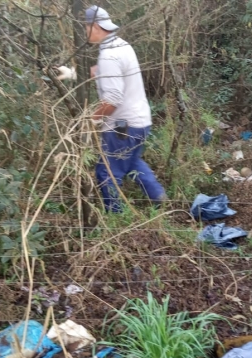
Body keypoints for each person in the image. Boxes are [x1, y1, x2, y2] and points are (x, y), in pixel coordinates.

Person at [85, 5, 166, 213]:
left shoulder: (109, 56)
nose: (85, 32)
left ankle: (115, 218)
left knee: (107, 172)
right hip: (140, 121)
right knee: (131, 163)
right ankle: (158, 196)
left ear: (95, 26)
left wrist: (92, 119)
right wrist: (77, 74)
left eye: (86, 27)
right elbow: (108, 72)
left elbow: (112, 99)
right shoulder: (121, 46)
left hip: (123, 127)